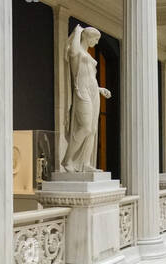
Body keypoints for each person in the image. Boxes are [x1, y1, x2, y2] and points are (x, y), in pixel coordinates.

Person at [60, 25, 110, 172]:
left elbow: (90, 77)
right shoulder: (77, 52)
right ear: (87, 37)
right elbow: (73, 50)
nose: (96, 41)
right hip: (81, 91)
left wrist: (100, 89)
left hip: (93, 91)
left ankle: (85, 163)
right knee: (85, 127)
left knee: (93, 129)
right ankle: (68, 160)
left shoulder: (87, 55)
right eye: (95, 38)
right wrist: (77, 32)